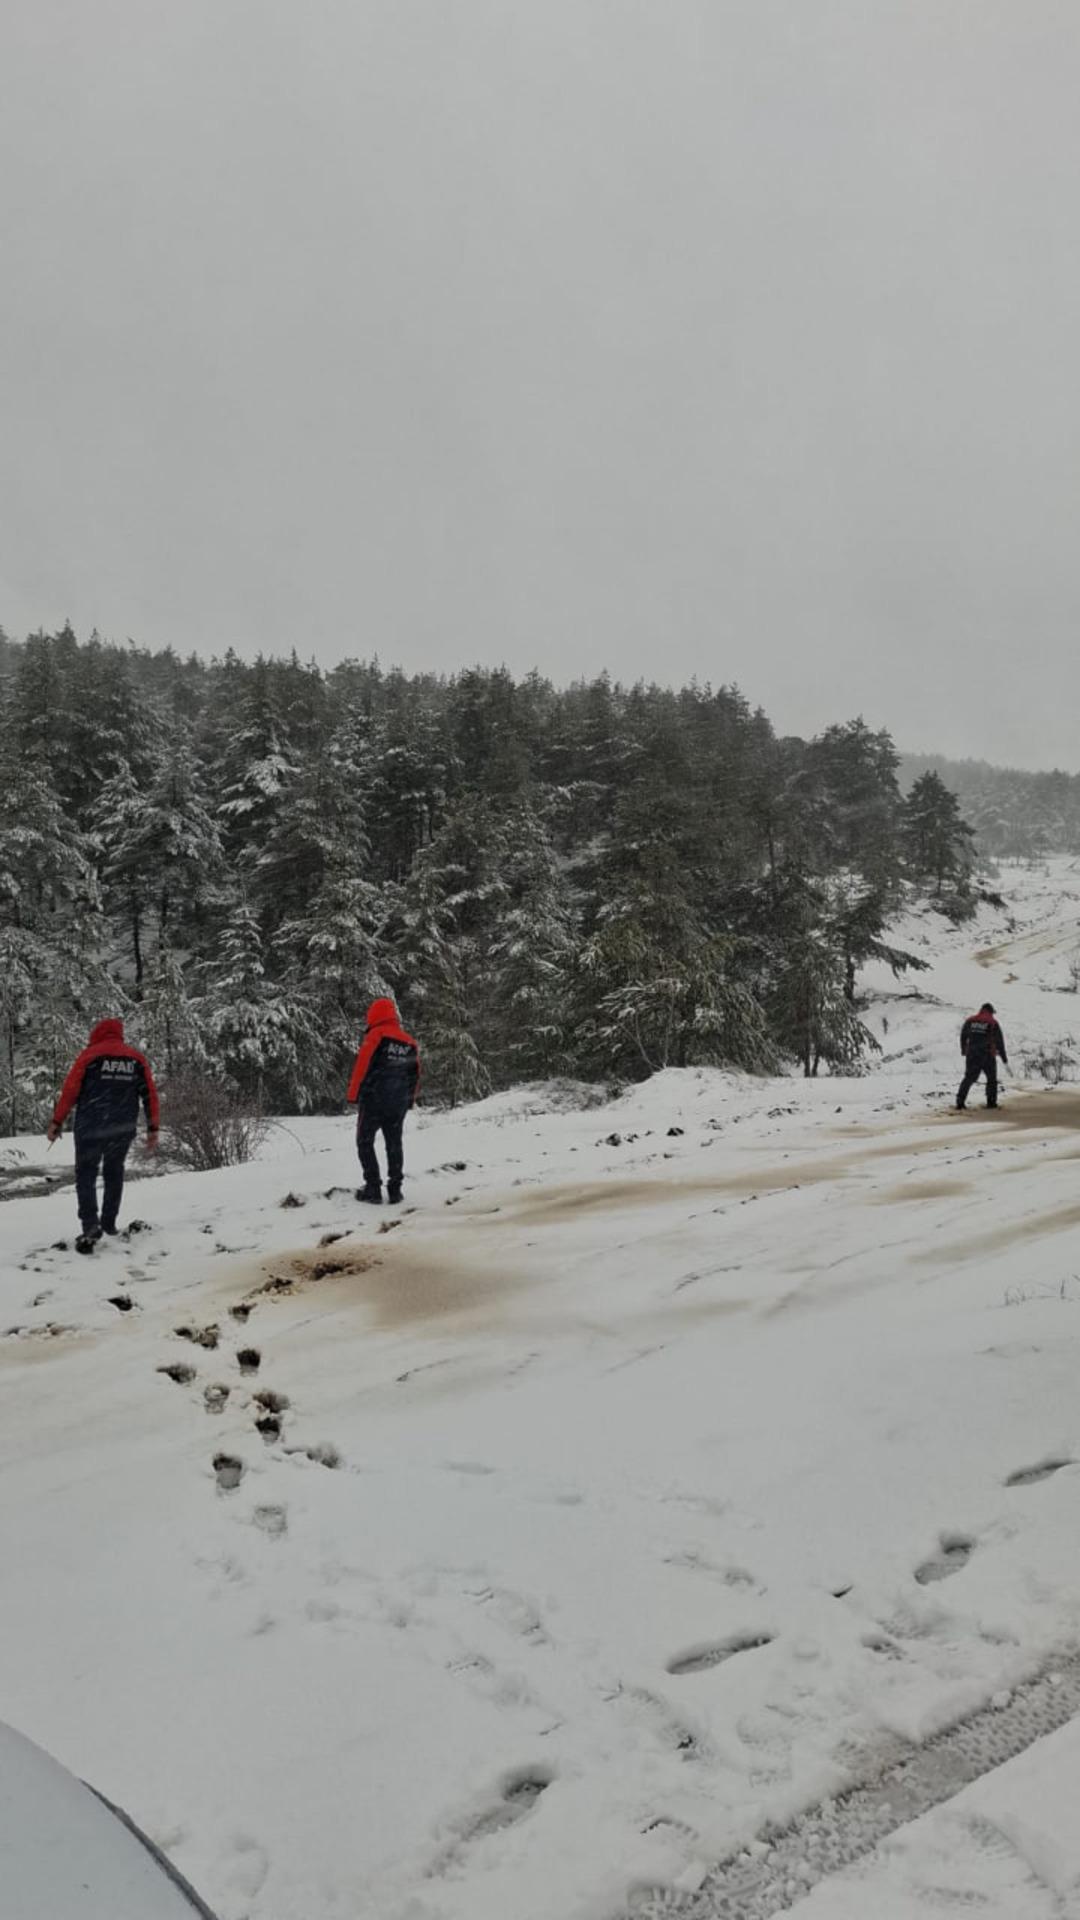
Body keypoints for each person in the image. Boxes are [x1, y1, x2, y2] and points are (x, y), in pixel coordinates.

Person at [47, 1018, 160, 1252]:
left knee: (86, 1174)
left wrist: (57, 1122)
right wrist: (153, 1128)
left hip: (91, 1126)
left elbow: (70, 1091)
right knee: (114, 1172)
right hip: (122, 1128)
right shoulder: (136, 1059)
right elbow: (149, 1094)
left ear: (97, 1034)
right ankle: (109, 1223)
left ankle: (90, 1224)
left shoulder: (89, 1056)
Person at [346, 997, 420, 1204]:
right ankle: (395, 1190)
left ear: (373, 1016)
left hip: (373, 1099)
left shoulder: (376, 1036)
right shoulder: (409, 1042)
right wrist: (409, 1100)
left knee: (364, 1142)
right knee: (394, 1143)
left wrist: (353, 1095)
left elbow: (362, 1067)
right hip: (398, 1102)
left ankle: (373, 1188)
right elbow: (415, 1073)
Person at [957, 1002, 1008, 1110]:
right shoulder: (992, 1022)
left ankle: (960, 1102)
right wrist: (1003, 1057)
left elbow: (963, 1035)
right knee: (991, 1080)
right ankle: (991, 1103)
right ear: (991, 1012)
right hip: (987, 1055)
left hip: (972, 1054)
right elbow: (999, 1041)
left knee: (969, 1078)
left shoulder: (970, 1021)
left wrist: (964, 1049)